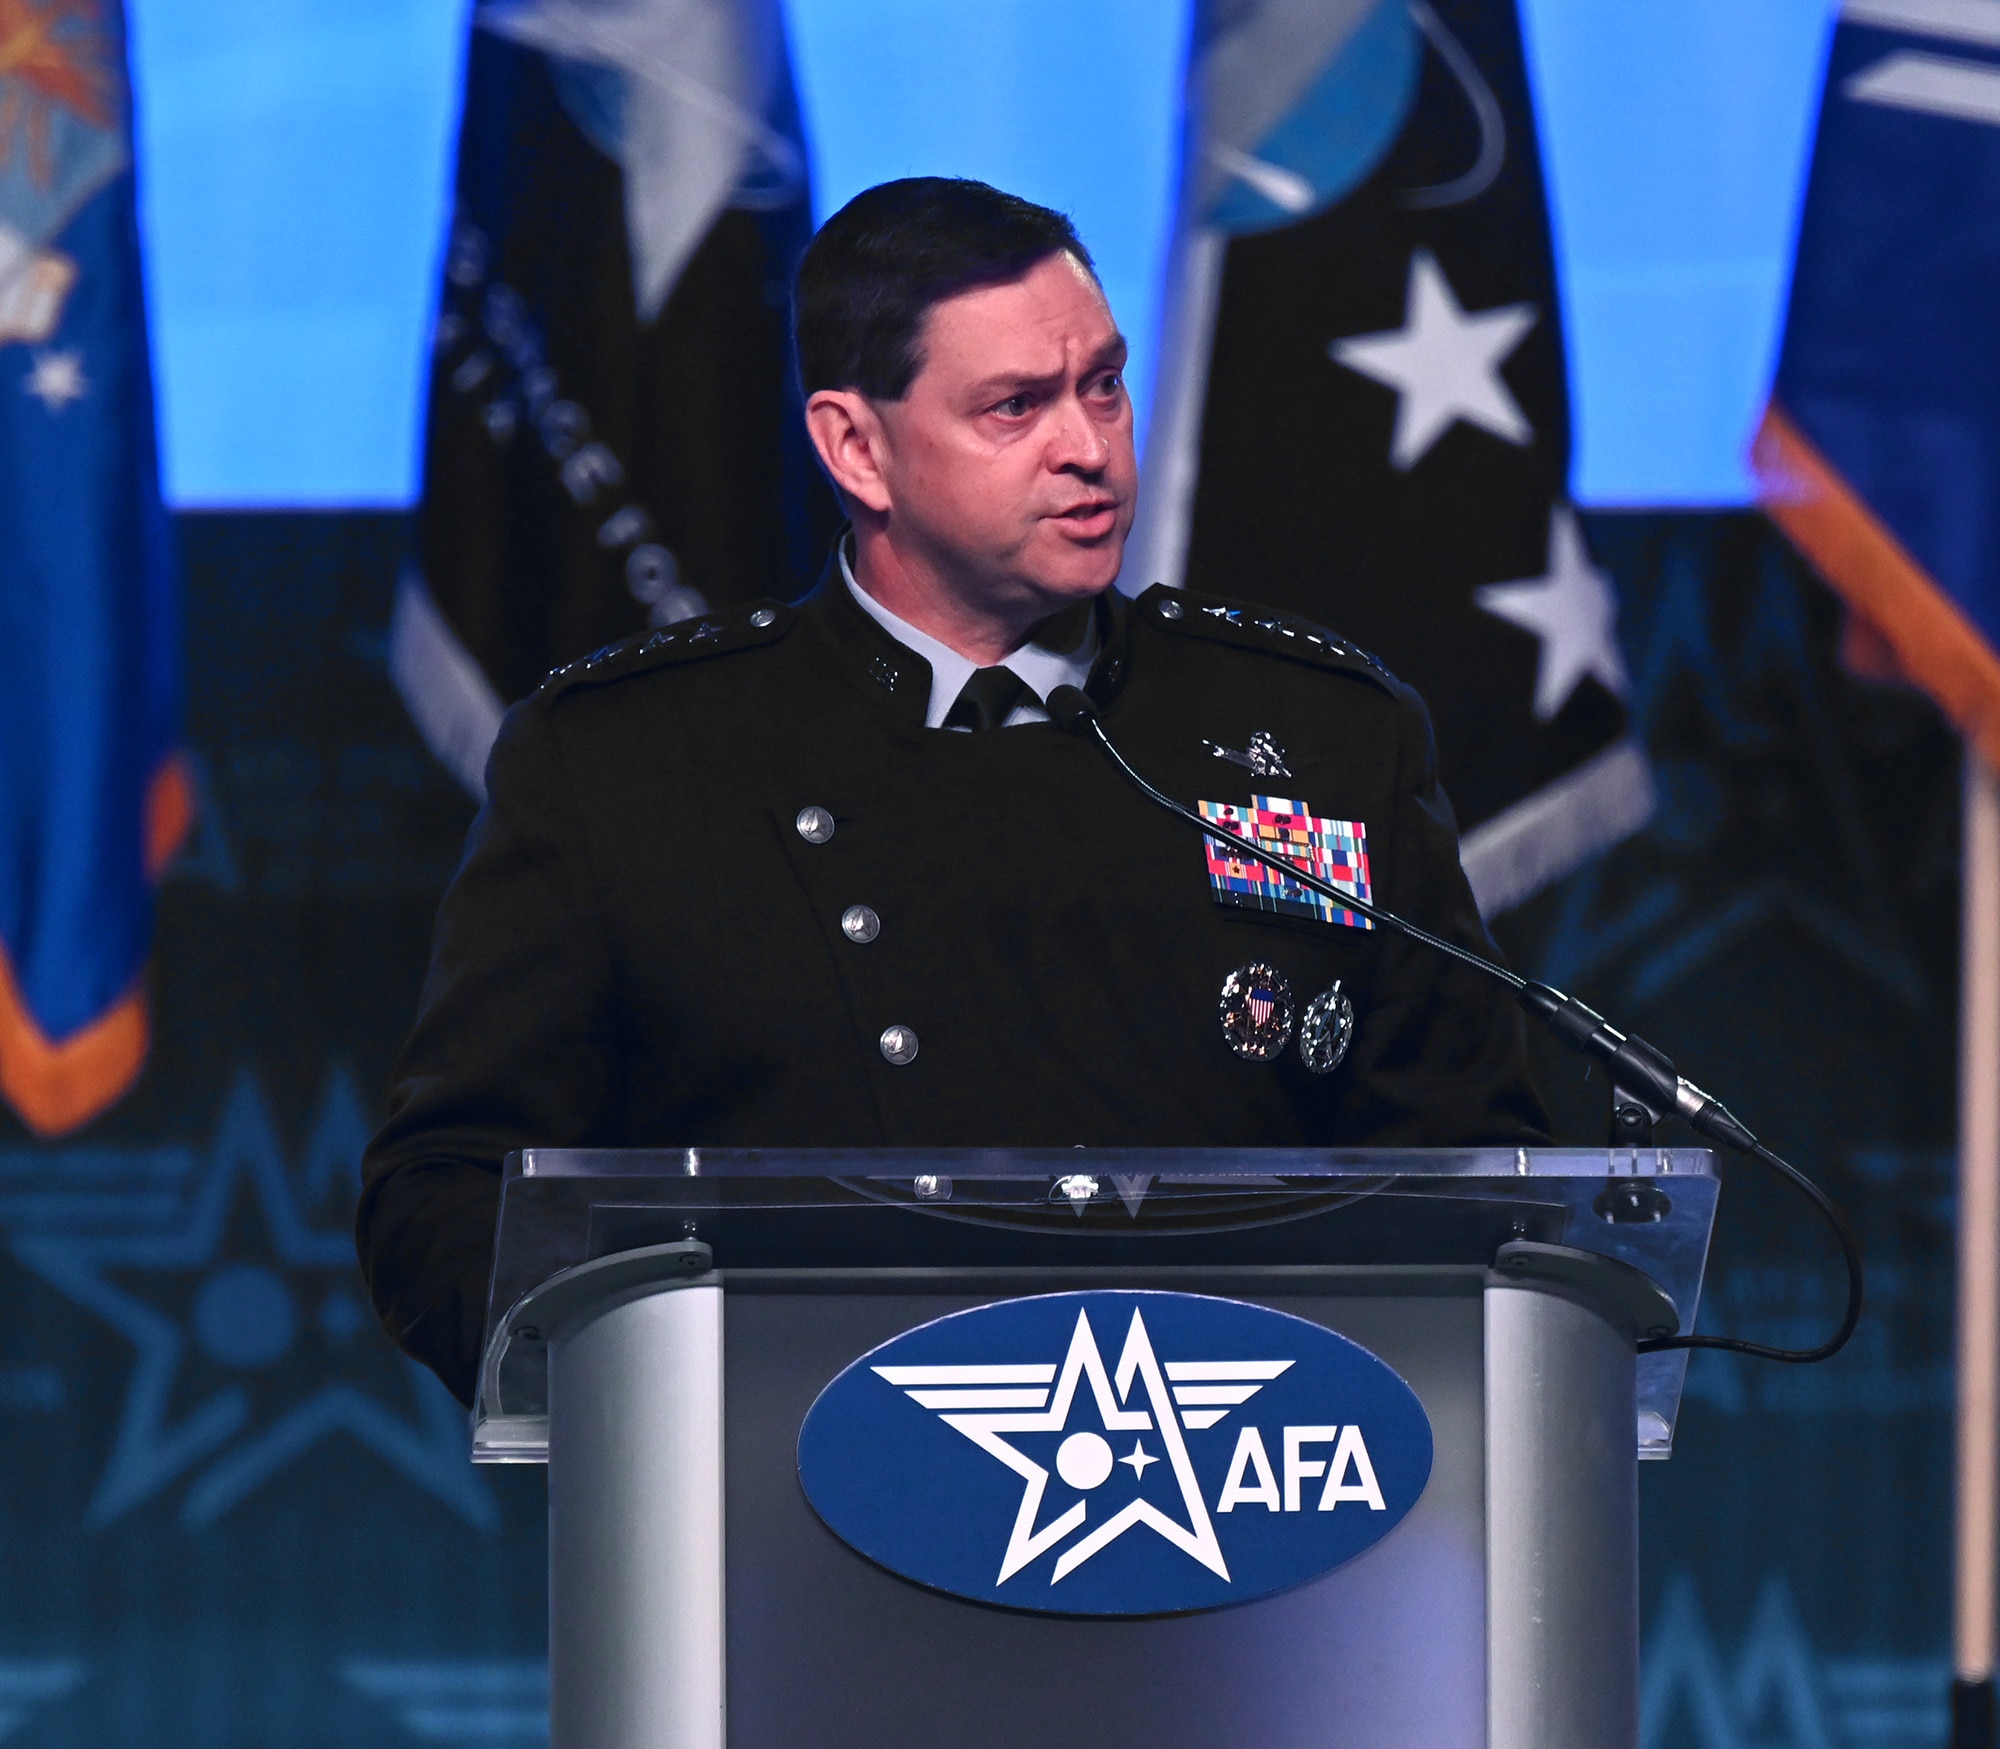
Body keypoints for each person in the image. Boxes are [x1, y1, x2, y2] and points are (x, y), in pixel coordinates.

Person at [358, 178, 1548, 1406]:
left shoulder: (1320, 734)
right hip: (786, 1507)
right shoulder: (627, 764)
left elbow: (1476, 1168)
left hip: (1267, 1492)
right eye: (1014, 408)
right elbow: (444, 1195)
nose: (1087, 446)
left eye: (1101, 384)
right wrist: (649, 1401)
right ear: (855, 448)